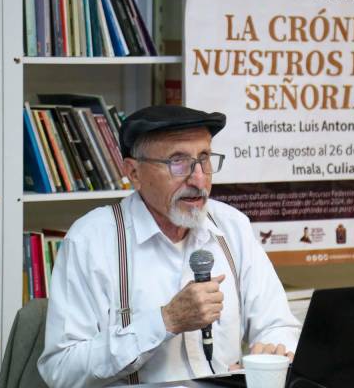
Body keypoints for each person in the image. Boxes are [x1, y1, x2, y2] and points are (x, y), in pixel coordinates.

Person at [38, 105, 301, 387]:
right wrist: (164, 322)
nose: (198, 179)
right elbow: (61, 371)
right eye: (178, 162)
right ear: (134, 172)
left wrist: (271, 351)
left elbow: (278, 325)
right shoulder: (92, 240)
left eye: (204, 159)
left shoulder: (232, 226)